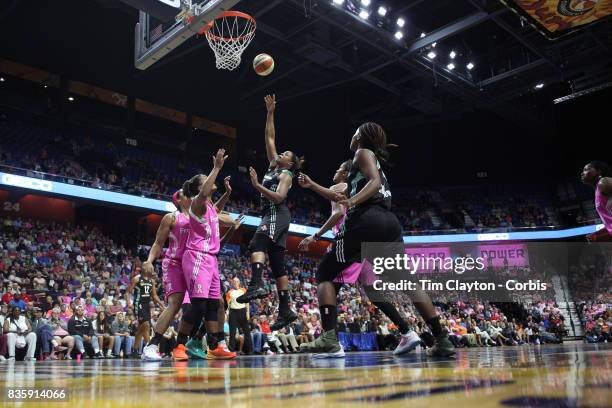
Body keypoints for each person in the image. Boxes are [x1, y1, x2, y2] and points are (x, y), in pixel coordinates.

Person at [297, 122, 454, 358]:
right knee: (406, 282)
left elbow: (373, 184)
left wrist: (352, 202)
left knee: (325, 274)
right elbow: (342, 193)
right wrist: (315, 186)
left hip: (365, 222)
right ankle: (441, 338)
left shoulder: (362, 152)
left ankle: (329, 338)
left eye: (354, 132)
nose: (351, 136)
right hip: (389, 224)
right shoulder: (366, 164)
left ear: (360, 136)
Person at [298, 160, 421, 355]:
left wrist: (316, 235)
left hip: (350, 241)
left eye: (339, 168)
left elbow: (338, 213)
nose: (336, 170)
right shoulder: (358, 186)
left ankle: (331, 340)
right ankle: (407, 332)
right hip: (367, 245)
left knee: (326, 278)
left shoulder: (340, 186)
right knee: (374, 295)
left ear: (347, 173)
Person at [237, 94, 304, 332]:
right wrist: (270, 112)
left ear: (290, 164)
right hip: (272, 213)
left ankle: (255, 285)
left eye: (285, 154)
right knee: (276, 262)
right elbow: (269, 136)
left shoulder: (286, 175)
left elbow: (279, 197)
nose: (280, 153)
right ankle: (286, 310)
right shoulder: (273, 165)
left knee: (257, 242)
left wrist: (257, 186)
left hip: (277, 211)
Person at [177, 149, 237, 359]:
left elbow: (217, 209)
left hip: (211, 260)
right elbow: (204, 194)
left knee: (214, 303)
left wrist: (227, 194)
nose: (213, 181)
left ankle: (215, 346)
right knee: (199, 304)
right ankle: (179, 346)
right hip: (197, 257)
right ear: (200, 188)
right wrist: (217, 167)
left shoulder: (210, 207)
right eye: (207, 180)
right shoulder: (197, 203)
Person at [125, 264, 164, 358]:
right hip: (139, 304)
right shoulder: (136, 279)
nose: (152, 268)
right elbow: (128, 292)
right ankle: (149, 348)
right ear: (144, 268)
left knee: (143, 328)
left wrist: (162, 305)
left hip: (146, 305)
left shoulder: (152, 281)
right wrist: (128, 303)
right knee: (146, 325)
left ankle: (134, 350)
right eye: (150, 267)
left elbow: (154, 296)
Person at [581, 161, 612, 242]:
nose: (582, 173)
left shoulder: (604, 182)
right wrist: (598, 235)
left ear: (598, 171)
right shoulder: (598, 190)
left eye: (586, 170)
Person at [226, 277, 252, 354]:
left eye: (237, 281)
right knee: (232, 332)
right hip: (233, 312)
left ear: (239, 282)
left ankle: (249, 350)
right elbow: (228, 305)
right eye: (234, 281)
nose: (235, 282)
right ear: (232, 283)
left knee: (246, 331)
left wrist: (247, 313)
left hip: (243, 311)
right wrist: (227, 314)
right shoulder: (229, 292)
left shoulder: (243, 290)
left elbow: (247, 302)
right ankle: (231, 350)